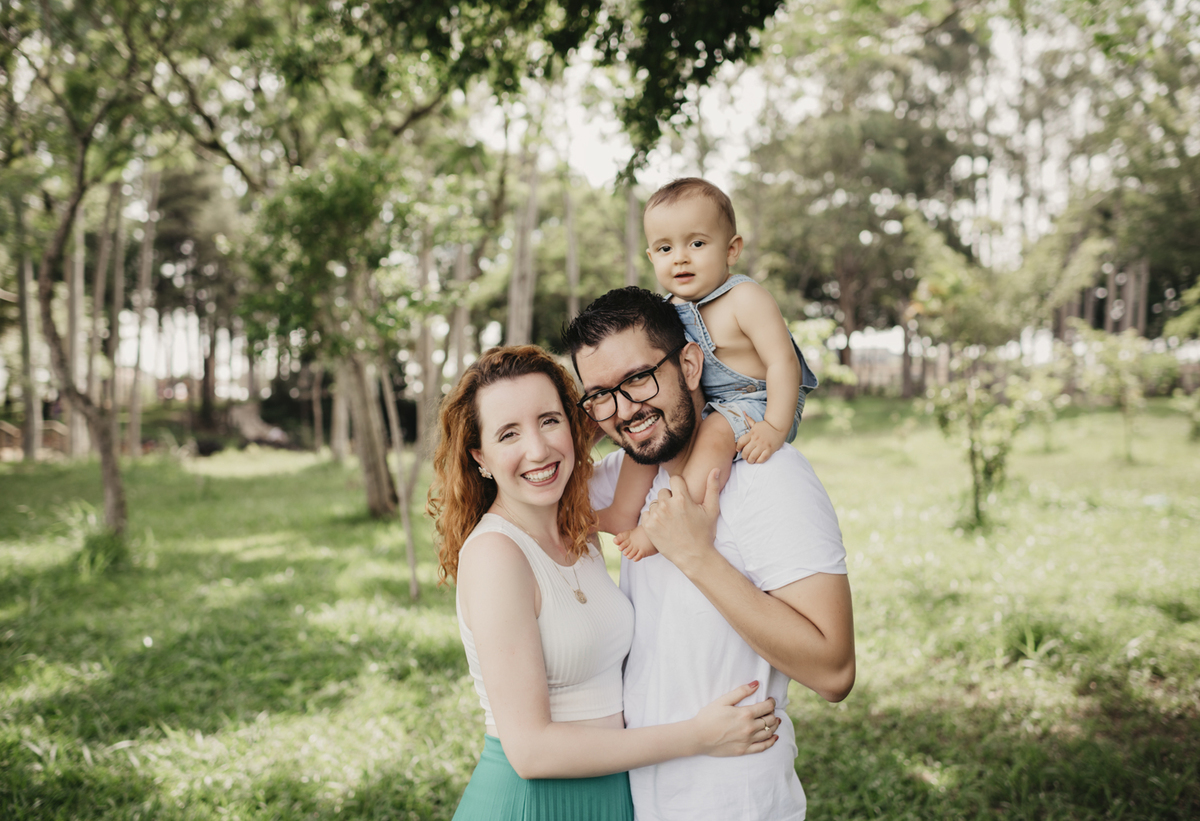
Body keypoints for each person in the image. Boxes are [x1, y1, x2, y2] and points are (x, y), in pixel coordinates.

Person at [428, 345, 784, 821]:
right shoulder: (497, 554)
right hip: (535, 804)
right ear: (480, 456)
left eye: (549, 421)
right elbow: (531, 752)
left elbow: (643, 427)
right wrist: (698, 735)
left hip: (611, 795)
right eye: (508, 433)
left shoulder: (579, 530)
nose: (538, 450)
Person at [562, 288, 855, 821]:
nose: (625, 410)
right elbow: (526, 481)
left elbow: (834, 671)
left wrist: (696, 556)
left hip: (735, 803)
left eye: (638, 378)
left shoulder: (770, 477)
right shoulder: (634, 474)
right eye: (601, 395)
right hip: (644, 799)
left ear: (691, 365)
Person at [595, 177, 818, 561]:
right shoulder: (667, 310)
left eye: (697, 244)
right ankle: (621, 510)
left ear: (731, 249)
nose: (680, 258)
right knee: (650, 429)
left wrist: (774, 426)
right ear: (651, 256)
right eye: (665, 248)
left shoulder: (744, 298)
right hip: (708, 402)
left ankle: (672, 522)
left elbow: (782, 362)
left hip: (760, 400)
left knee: (715, 431)